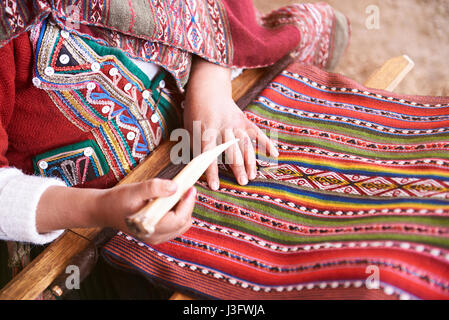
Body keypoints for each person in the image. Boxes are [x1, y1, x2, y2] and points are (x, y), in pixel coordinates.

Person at [0, 0, 349, 298]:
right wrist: (100, 209)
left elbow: (214, 11)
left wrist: (210, 83)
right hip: (84, 229)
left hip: (190, 122)